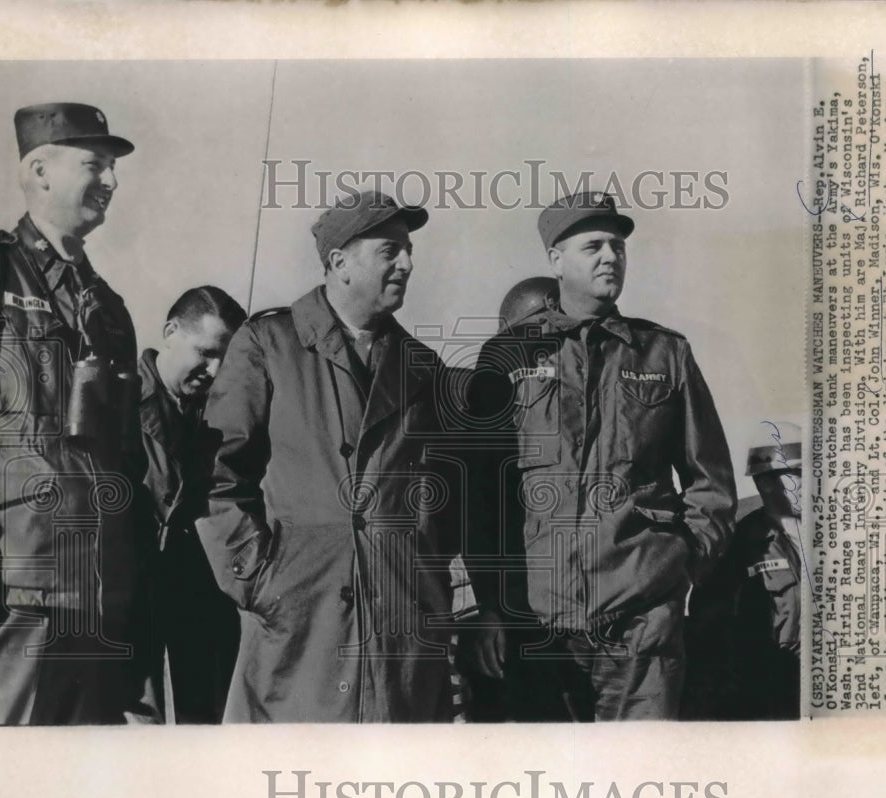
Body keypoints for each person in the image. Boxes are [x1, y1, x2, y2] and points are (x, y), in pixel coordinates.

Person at [464, 190, 737, 721]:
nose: (611, 256)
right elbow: (483, 493)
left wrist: (678, 576)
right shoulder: (508, 355)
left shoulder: (664, 353)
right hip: (538, 626)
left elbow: (711, 483)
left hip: (642, 628)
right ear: (556, 260)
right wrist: (493, 606)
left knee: (640, 786)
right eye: (593, 246)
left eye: (617, 246)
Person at [196, 189, 458, 722]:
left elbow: (441, 500)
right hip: (300, 627)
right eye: (390, 250)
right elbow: (216, 474)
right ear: (339, 262)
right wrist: (259, 581)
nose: (407, 263)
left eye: (408, 250)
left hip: (399, 635)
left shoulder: (421, 365)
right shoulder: (268, 343)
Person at [0, 102, 156, 724]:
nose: (111, 182)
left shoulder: (107, 306)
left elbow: (126, 449)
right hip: (22, 584)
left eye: (113, 168)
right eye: (96, 165)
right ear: (39, 171)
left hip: (100, 586)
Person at [138, 286, 246, 723]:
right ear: (170, 333)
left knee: (206, 720)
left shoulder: (221, 413)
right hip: (130, 591)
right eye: (205, 352)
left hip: (196, 589)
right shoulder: (113, 399)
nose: (214, 369)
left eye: (225, 359)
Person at [691, 421, 803, 720]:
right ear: (766, 482)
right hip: (771, 692)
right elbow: (712, 632)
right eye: (799, 475)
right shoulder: (737, 547)